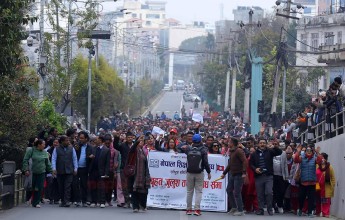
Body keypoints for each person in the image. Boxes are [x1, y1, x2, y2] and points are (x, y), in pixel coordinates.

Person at [249, 138, 282, 216]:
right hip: (258, 176)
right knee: (259, 194)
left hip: (268, 176)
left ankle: (270, 209)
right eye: (261, 143)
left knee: (269, 192)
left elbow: (279, 152)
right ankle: (260, 209)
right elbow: (251, 164)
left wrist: (275, 146)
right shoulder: (254, 154)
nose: (262, 144)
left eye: (264, 143)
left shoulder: (270, 151)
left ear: (266, 144)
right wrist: (255, 169)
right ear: (258, 144)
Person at [181, 134, 211, 216]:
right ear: (201, 140)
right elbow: (205, 162)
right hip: (199, 173)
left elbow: (181, 149)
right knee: (198, 191)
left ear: (193, 140)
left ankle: (188, 209)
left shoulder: (188, 148)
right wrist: (208, 172)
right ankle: (197, 210)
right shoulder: (203, 150)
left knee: (189, 191)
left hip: (189, 172)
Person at [221, 138, 247, 216]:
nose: (228, 143)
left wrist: (244, 172)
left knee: (237, 192)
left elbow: (244, 161)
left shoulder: (238, 151)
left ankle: (240, 210)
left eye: (229, 142)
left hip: (239, 174)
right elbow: (230, 164)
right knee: (229, 190)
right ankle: (234, 207)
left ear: (232, 143)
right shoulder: (231, 152)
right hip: (232, 174)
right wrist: (224, 173)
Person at [22, 139, 52, 208]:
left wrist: (51, 171)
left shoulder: (45, 152)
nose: (44, 146)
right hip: (32, 172)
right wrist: (26, 169)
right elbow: (25, 160)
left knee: (40, 187)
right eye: (43, 144)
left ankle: (36, 202)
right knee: (32, 187)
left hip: (42, 172)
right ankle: (30, 199)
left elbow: (47, 163)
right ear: (39, 145)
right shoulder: (31, 150)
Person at [52, 135, 78, 207]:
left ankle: (67, 201)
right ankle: (63, 201)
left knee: (67, 186)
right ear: (62, 141)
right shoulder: (56, 149)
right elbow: (54, 159)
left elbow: (74, 159)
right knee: (61, 186)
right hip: (60, 171)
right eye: (66, 140)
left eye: (68, 140)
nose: (68, 142)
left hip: (69, 171)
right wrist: (54, 168)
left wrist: (75, 168)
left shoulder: (71, 148)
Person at [294, 144, 319, 217]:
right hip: (303, 182)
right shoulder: (302, 158)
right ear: (305, 152)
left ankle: (310, 212)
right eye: (307, 150)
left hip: (312, 182)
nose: (308, 152)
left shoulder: (314, 158)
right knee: (301, 197)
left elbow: (320, 161)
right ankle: (300, 209)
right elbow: (295, 159)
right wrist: (298, 151)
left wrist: (317, 153)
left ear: (312, 151)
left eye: (310, 150)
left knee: (311, 199)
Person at [127, 136, 151, 213]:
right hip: (134, 174)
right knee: (134, 191)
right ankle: (135, 206)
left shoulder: (143, 151)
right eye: (139, 141)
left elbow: (145, 164)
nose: (141, 142)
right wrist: (137, 141)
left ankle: (142, 205)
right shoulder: (133, 151)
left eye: (142, 141)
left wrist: (147, 175)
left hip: (143, 175)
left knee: (143, 192)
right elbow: (132, 148)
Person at [113, 131, 134, 208]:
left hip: (133, 169)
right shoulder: (122, 146)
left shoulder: (135, 146)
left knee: (132, 186)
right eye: (128, 137)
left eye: (131, 137)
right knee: (124, 186)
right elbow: (115, 146)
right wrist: (116, 137)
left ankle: (133, 201)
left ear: (133, 138)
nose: (130, 139)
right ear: (126, 138)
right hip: (124, 169)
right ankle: (127, 202)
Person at [88, 135, 110, 208]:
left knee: (102, 187)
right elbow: (88, 159)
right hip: (93, 170)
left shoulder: (106, 150)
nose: (95, 141)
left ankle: (102, 201)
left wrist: (106, 173)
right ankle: (93, 201)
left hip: (101, 171)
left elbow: (107, 163)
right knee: (93, 186)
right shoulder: (93, 148)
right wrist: (89, 157)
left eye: (97, 139)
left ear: (100, 140)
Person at [73, 131, 92, 207]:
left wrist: (91, 157)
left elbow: (92, 156)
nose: (80, 139)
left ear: (86, 139)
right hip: (76, 168)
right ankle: (77, 200)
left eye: (82, 138)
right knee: (75, 184)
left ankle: (84, 200)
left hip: (85, 169)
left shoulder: (90, 147)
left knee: (84, 185)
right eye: (79, 138)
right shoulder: (76, 146)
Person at [315, 152, 335, 218]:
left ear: (326, 159)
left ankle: (325, 213)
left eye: (323, 158)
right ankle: (317, 211)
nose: (322, 159)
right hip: (317, 185)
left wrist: (332, 186)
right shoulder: (317, 166)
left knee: (325, 200)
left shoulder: (330, 167)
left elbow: (332, 177)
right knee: (317, 199)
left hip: (326, 186)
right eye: (321, 158)